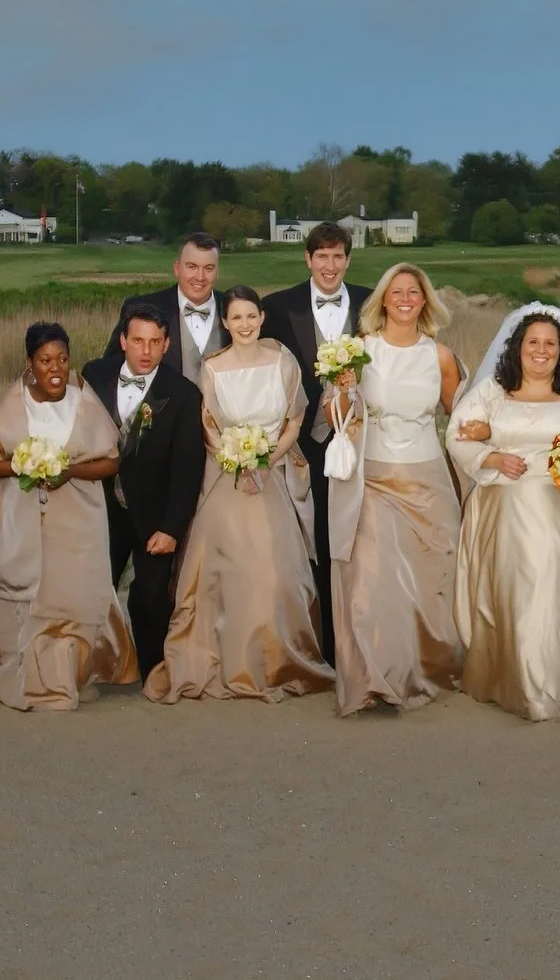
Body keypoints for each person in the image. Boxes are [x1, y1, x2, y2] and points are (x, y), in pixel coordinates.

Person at [146, 287, 333, 703]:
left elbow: (295, 418)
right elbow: (209, 425)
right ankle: (224, 659)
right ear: (225, 324)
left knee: (276, 572)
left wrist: (266, 460)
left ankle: (275, 660)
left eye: (251, 316)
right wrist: (238, 461)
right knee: (223, 573)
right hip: (226, 480)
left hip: (273, 477)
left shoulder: (282, 359)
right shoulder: (212, 367)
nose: (245, 324)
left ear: (261, 317)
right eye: (236, 318)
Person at [448, 305, 560, 723]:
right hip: (505, 495)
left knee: (557, 570)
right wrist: (491, 458)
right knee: (518, 574)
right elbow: (457, 433)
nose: (541, 351)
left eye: (550, 343)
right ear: (518, 348)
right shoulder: (493, 390)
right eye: (533, 342)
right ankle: (514, 677)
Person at [0, 322, 136, 710]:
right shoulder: (13, 404)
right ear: (30, 363)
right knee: (29, 596)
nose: (55, 368)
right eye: (45, 360)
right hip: (22, 519)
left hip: (77, 519)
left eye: (61, 358)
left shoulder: (83, 401)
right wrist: (23, 467)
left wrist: (69, 471)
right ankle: (22, 673)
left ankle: (66, 675)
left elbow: (110, 461)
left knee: (70, 597)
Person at [321, 262, 466, 715]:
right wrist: (343, 389)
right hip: (374, 478)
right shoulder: (359, 351)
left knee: (427, 583)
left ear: (425, 301)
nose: (405, 299)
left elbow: (460, 421)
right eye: (396, 291)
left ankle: (419, 670)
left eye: (414, 292)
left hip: (427, 481)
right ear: (383, 298)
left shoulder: (440, 357)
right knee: (370, 582)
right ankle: (372, 679)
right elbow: (335, 420)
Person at [263, 221, 374, 663]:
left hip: (361, 441)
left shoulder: (372, 303)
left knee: (361, 544)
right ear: (307, 259)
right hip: (302, 445)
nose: (330, 266)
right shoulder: (276, 306)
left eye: (338, 256)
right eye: (321, 256)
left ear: (348, 259)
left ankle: (360, 639)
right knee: (311, 545)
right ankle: (321, 644)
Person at [81, 305, 204, 679]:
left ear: (167, 345)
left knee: (151, 596)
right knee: (91, 590)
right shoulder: (93, 375)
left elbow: (188, 468)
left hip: (155, 513)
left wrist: (172, 528)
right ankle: (89, 666)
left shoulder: (183, 393)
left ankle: (153, 670)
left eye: (154, 342)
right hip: (101, 509)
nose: (145, 351)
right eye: (137, 341)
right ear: (123, 341)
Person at [100, 232, 229, 386]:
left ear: (217, 271)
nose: (200, 277)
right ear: (177, 268)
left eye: (208, 268)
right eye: (192, 266)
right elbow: (110, 366)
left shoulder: (234, 308)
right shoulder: (141, 307)